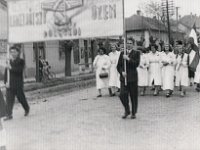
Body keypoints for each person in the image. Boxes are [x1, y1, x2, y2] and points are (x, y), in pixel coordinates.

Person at [4, 46, 30, 120]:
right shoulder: (8, 61)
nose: (13, 53)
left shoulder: (21, 61)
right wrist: (6, 82)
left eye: (14, 52)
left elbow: (19, 71)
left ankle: (26, 108)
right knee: (9, 100)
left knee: (21, 98)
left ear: (18, 52)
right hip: (10, 84)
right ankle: (8, 115)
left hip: (18, 84)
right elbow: (6, 73)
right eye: (11, 52)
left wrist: (11, 68)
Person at [117, 38, 140, 119]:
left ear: (133, 44)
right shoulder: (122, 53)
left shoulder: (137, 53)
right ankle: (127, 110)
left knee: (133, 96)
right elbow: (118, 66)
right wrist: (121, 72)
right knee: (122, 95)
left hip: (132, 78)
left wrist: (128, 59)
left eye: (130, 43)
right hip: (124, 78)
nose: (129, 44)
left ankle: (133, 112)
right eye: (128, 43)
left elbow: (136, 64)